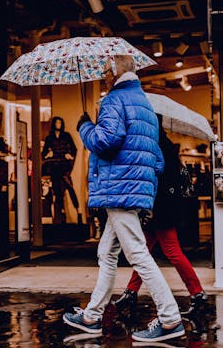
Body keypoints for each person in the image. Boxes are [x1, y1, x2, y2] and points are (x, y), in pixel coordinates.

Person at [63, 55, 184, 343]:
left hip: (118, 189)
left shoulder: (113, 101)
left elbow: (104, 142)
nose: (102, 77)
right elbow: (157, 159)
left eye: (105, 72)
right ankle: (92, 317)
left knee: (137, 254)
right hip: (133, 189)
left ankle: (170, 319)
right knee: (107, 253)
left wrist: (84, 127)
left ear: (116, 73)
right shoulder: (144, 104)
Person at [114, 116, 208, 318]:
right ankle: (130, 292)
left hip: (160, 209)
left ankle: (198, 294)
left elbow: (157, 180)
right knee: (143, 251)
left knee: (171, 251)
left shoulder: (156, 147)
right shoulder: (164, 145)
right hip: (160, 208)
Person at [42, 116, 81, 224]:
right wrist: (48, 154)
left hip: (64, 166)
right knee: (58, 193)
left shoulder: (66, 136)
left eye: (60, 123)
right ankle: (60, 217)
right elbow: (44, 152)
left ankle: (78, 212)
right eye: (56, 123)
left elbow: (74, 149)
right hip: (55, 166)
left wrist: (70, 156)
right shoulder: (50, 138)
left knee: (70, 187)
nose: (58, 125)